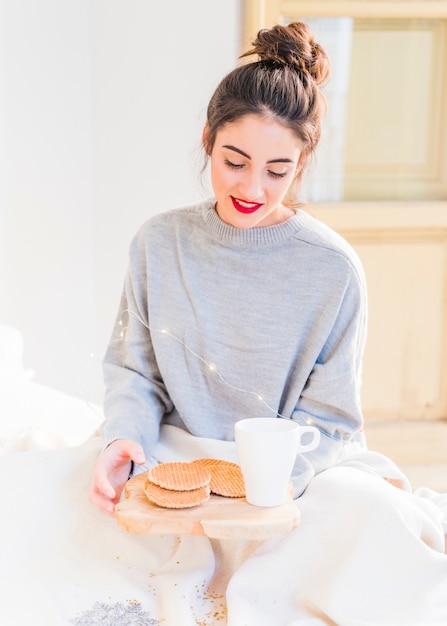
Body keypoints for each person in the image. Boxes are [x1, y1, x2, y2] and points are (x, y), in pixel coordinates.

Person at [88, 21, 447, 625]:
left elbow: (331, 418)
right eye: (235, 161)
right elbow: (134, 370)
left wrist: (273, 485)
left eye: (277, 170)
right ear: (207, 139)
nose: (252, 187)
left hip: (293, 473)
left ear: (302, 164)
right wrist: (124, 436)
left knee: (375, 527)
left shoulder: (334, 269)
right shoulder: (159, 242)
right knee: (66, 504)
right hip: (178, 451)